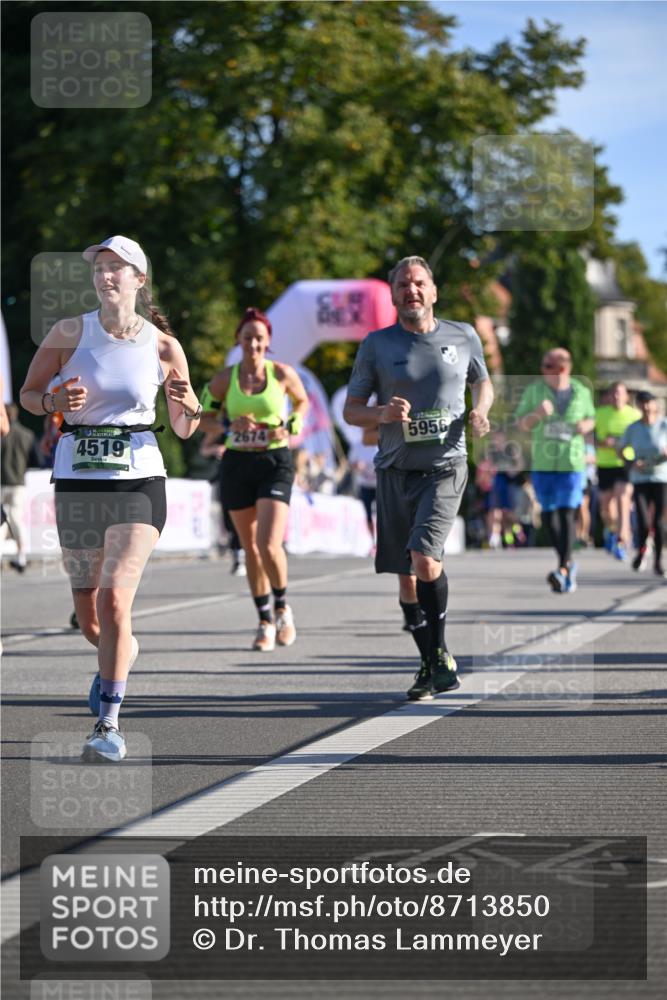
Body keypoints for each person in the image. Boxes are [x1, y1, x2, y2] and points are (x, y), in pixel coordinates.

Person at [20, 234, 201, 762]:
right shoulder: (69, 331)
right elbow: (30, 396)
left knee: (115, 598)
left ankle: (108, 723)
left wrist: (187, 401)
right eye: (99, 267)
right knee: (90, 614)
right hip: (78, 478)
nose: (106, 275)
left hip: (139, 479)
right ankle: (117, 653)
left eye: (117, 267)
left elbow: (186, 427)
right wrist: (53, 399)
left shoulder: (163, 346)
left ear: (138, 280)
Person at [343, 255, 493, 700]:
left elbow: (481, 381)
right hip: (394, 469)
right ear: (393, 295)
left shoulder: (463, 335)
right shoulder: (376, 344)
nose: (412, 290)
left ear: (433, 291)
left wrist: (480, 410)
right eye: (404, 284)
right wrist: (381, 413)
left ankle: (440, 652)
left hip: (446, 465)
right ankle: (430, 662)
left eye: (420, 283)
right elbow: (352, 411)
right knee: (407, 576)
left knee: (424, 559)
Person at [200, 307, 308, 651]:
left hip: (274, 460)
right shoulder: (224, 379)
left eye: (260, 338)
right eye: (247, 338)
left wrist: (291, 424)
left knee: (268, 544)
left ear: (268, 341)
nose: (254, 344)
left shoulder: (282, 374)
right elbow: (202, 418)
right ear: (238, 340)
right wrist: (230, 426)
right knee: (250, 549)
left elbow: (302, 403)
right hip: (237, 464)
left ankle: (282, 609)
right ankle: (263, 621)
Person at [515, 348, 595, 593]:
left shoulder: (581, 392)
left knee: (568, 513)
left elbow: (591, 417)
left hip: (572, 464)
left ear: (562, 368)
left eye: (547, 365)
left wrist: (586, 425)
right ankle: (568, 564)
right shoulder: (534, 391)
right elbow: (521, 424)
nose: (543, 369)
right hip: (544, 464)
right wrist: (537, 414)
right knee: (550, 518)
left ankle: (561, 568)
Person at [618, 391, 667, 578]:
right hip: (640, 479)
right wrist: (631, 463)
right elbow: (621, 450)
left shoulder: (664, 424)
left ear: (654, 404)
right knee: (644, 520)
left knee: (659, 522)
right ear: (638, 406)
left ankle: (658, 562)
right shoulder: (633, 428)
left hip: (661, 478)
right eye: (642, 404)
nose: (646, 408)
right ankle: (641, 550)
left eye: (649, 403)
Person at [594, 381, 641, 561]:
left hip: (626, 463)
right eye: (613, 393)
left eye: (619, 393)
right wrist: (602, 443)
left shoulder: (634, 415)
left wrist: (624, 445)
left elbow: (640, 436)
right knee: (606, 507)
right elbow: (588, 438)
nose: (616, 396)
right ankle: (612, 531)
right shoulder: (599, 414)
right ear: (608, 396)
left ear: (626, 396)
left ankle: (622, 541)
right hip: (605, 464)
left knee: (623, 500)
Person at [1, 403, 39, 571]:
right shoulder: (27, 434)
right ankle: (21, 556)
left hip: (2, 482)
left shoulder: (2, 434)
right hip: (18, 483)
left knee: (2, 522)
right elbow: (36, 460)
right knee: (17, 519)